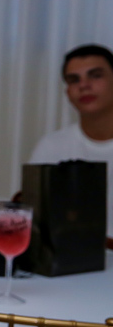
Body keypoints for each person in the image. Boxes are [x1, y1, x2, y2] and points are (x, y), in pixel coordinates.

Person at [29, 44, 113, 246]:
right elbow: (32, 219)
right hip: (68, 258)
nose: (84, 85)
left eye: (95, 76)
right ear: (67, 92)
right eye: (74, 80)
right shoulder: (51, 146)